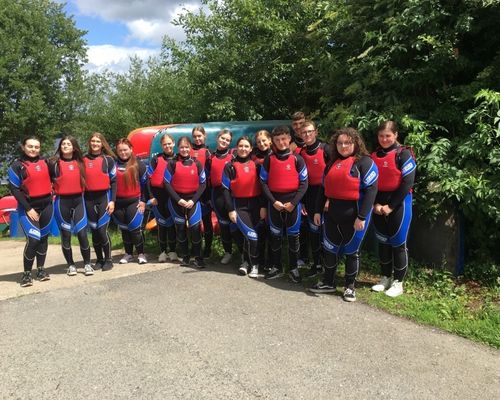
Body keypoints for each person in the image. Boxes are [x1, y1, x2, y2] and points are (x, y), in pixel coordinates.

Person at [309, 128, 378, 302]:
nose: (343, 146)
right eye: (340, 143)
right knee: (330, 249)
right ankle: (328, 282)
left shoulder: (365, 163)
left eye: (347, 143)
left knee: (351, 252)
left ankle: (350, 286)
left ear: (355, 143)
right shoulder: (332, 163)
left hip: (354, 216)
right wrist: (317, 211)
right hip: (332, 215)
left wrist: (362, 217)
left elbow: (371, 191)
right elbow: (323, 190)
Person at [371, 121, 416, 297]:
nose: (384, 139)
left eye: (388, 136)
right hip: (378, 202)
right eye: (381, 136)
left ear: (396, 135)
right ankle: (385, 278)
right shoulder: (374, 155)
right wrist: (375, 203)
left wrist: (391, 206)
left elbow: (408, 182)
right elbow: (370, 182)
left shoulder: (404, 154)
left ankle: (398, 282)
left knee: (398, 243)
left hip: (399, 203)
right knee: (383, 242)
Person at [259, 125, 308, 282]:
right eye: (277, 140)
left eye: (284, 139)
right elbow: (263, 183)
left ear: (289, 139)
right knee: (275, 237)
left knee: (294, 238)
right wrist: (273, 202)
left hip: (293, 204)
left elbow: (304, 184)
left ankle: (293, 268)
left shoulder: (297, 159)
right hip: (275, 204)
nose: (281, 142)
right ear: (273, 141)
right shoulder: (269, 159)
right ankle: (276, 267)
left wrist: (294, 203)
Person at [8, 136, 53, 287]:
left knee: (43, 239)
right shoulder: (16, 166)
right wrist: (28, 208)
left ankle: (41, 270)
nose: (33, 149)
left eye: (36, 147)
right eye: (30, 146)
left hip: (47, 205)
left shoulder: (46, 162)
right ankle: (27, 274)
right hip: (28, 207)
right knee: (34, 239)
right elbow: (15, 189)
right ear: (23, 147)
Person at [49, 135, 93, 276]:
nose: (65, 146)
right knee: (66, 236)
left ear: (74, 147)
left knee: (82, 234)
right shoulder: (53, 163)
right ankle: (71, 265)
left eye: (68, 144)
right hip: (62, 203)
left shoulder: (81, 162)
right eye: (63, 144)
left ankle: (87, 264)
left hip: (78, 201)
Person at [222, 136, 266, 277]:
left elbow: (264, 187)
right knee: (252, 236)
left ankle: (246, 262)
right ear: (236, 147)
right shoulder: (229, 166)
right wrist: (230, 210)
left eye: (246, 146)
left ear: (251, 149)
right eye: (241, 146)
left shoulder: (257, 165)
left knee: (253, 236)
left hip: (256, 205)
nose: (243, 149)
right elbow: (225, 190)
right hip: (239, 205)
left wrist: (264, 206)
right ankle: (254, 265)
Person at [164, 136, 207, 268]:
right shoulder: (172, 163)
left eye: (186, 147)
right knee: (181, 229)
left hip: (193, 201)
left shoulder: (197, 163)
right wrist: (179, 200)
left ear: (190, 148)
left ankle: (198, 257)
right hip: (176, 201)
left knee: (195, 228)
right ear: (178, 148)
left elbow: (203, 184)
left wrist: (193, 201)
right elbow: (166, 183)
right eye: (182, 147)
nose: (184, 149)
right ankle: (185, 256)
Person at [299, 120, 330, 278]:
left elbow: (336, 174)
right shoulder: (302, 152)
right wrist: (303, 201)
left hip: (326, 193)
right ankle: (317, 264)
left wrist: (329, 198)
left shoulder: (326, 149)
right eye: (304, 133)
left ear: (316, 132)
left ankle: (329, 265)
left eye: (310, 131)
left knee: (327, 232)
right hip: (310, 194)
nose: (307, 135)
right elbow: (301, 179)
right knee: (314, 231)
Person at [83, 132, 116, 271]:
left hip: (104, 198)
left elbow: (114, 181)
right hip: (88, 199)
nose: (95, 143)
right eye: (93, 141)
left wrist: (112, 201)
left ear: (102, 143)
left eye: (98, 141)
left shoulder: (108, 160)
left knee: (102, 230)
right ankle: (99, 259)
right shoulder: (83, 159)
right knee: (95, 231)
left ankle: (109, 259)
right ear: (89, 143)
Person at [113, 138, 148, 265]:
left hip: (134, 201)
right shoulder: (113, 165)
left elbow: (146, 185)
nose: (123, 152)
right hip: (118, 202)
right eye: (120, 150)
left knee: (134, 229)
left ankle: (141, 253)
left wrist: (144, 201)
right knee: (124, 229)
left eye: (125, 150)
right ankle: (128, 254)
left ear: (131, 149)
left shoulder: (139, 164)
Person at [148, 133, 177, 262]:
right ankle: (162, 251)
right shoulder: (156, 160)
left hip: (173, 196)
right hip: (158, 196)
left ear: (173, 143)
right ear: (161, 145)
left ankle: (173, 251)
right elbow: (148, 180)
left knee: (171, 224)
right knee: (162, 224)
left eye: (169, 143)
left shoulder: (178, 159)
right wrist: (151, 197)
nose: (167, 146)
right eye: (164, 144)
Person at [207, 129, 234, 264]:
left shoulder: (233, 157)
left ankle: (243, 253)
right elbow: (206, 179)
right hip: (217, 194)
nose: (224, 141)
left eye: (227, 140)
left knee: (235, 225)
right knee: (223, 226)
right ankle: (228, 252)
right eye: (223, 138)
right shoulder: (210, 158)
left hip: (232, 194)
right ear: (218, 138)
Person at [191, 126, 213, 259]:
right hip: (191, 191)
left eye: (200, 136)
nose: (197, 139)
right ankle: (195, 247)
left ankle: (208, 249)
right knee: (194, 222)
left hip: (205, 192)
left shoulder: (208, 152)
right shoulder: (188, 150)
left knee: (206, 221)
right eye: (195, 136)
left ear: (204, 136)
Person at [251, 130, 273, 270]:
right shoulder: (252, 156)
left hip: (271, 198)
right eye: (259, 142)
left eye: (264, 140)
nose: (262, 143)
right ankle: (258, 261)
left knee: (271, 232)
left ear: (270, 140)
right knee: (259, 231)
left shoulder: (275, 156)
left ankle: (270, 263)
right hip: (256, 197)